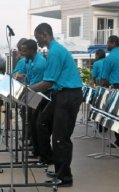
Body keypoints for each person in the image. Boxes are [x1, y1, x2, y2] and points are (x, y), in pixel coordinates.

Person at [31, 23, 83, 187]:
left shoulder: (55, 52)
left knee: (61, 137)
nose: (37, 41)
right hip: (61, 94)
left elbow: (48, 81)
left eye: (37, 37)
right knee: (42, 123)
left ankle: (65, 177)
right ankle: (54, 162)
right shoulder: (53, 51)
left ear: (45, 34)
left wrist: (27, 90)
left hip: (68, 95)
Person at [19, 39, 47, 159]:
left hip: (39, 95)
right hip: (33, 93)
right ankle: (35, 148)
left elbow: (37, 84)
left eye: (24, 51)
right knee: (30, 120)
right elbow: (29, 79)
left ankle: (40, 151)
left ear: (32, 50)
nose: (22, 53)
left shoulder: (39, 63)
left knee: (35, 123)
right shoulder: (30, 61)